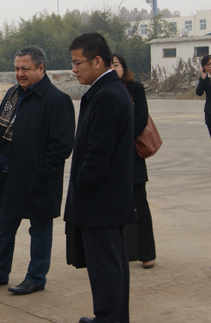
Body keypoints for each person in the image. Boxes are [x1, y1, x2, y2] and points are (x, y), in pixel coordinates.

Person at [0, 47, 75, 295]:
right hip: (9, 176)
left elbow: (61, 146)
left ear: (41, 68)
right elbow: (0, 132)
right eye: (17, 68)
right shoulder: (13, 95)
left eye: (25, 68)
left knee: (39, 230)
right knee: (2, 226)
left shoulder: (57, 100)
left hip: (37, 179)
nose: (20, 74)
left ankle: (36, 278)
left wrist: (41, 173)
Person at [65, 33, 135, 323]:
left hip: (100, 200)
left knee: (105, 267)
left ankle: (108, 318)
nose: (74, 69)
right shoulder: (109, 90)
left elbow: (97, 156)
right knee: (114, 263)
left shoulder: (106, 95)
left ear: (97, 61)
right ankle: (114, 317)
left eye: (77, 62)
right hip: (110, 198)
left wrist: (81, 186)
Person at [111, 53, 157, 270]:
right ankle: (120, 252)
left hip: (131, 154)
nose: (113, 69)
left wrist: (120, 138)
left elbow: (141, 118)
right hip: (110, 157)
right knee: (115, 207)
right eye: (110, 65)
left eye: (116, 65)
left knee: (140, 204)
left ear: (123, 67)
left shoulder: (134, 89)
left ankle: (147, 253)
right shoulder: (103, 90)